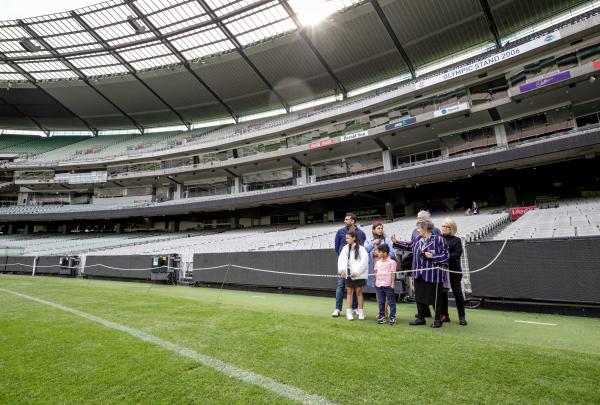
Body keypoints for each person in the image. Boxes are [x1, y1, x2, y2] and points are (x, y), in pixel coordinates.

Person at [392, 219, 449, 328]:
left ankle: (437, 319)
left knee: (436, 298)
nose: (417, 230)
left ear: (425, 228)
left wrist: (433, 256)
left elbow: (446, 255)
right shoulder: (418, 239)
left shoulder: (438, 239)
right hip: (418, 273)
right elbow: (409, 246)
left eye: (419, 228)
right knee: (419, 297)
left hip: (433, 274)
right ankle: (420, 318)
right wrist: (396, 242)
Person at [332, 213, 366, 317]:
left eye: (347, 219)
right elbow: (337, 247)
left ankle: (355, 308)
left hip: (356, 267)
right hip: (344, 266)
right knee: (341, 286)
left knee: (356, 288)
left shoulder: (361, 233)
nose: (345, 221)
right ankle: (337, 309)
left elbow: (361, 250)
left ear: (353, 221)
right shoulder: (340, 232)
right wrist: (344, 262)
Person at [439, 219, 467, 326]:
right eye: (443, 226)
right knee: (443, 293)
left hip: (454, 271)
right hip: (442, 271)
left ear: (452, 228)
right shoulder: (439, 239)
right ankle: (445, 315)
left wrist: (444, 257)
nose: (444, 228)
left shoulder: (457, 240)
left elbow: (457, 254)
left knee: (458, 293)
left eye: (447, 226)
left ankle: (461, 316)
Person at [337, 231, 368, 321]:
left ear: (354, 238)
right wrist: (342, 271)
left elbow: (364, 262)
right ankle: (349, 312)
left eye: (348, 238)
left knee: (359, 291)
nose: (346, 240)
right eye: (346, 238)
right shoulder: (345, 248)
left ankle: (361, 312)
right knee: (349, 292)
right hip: (349, 273)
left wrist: (357, 272)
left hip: (359, 274)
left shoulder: (362, 249)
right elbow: (341, 260)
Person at [374, 244, 397, 325]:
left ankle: (392, 317)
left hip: (388, 285)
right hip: (379, 285)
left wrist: (392, 283)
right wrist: (376, 283)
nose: (378, 253)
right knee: (381, 302)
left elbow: (393, 273)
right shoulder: (377, 262)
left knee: (391, 302)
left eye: (379, 252)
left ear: (385, 253)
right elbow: (376, 273)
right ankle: (382, 316)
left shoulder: (392, 262)